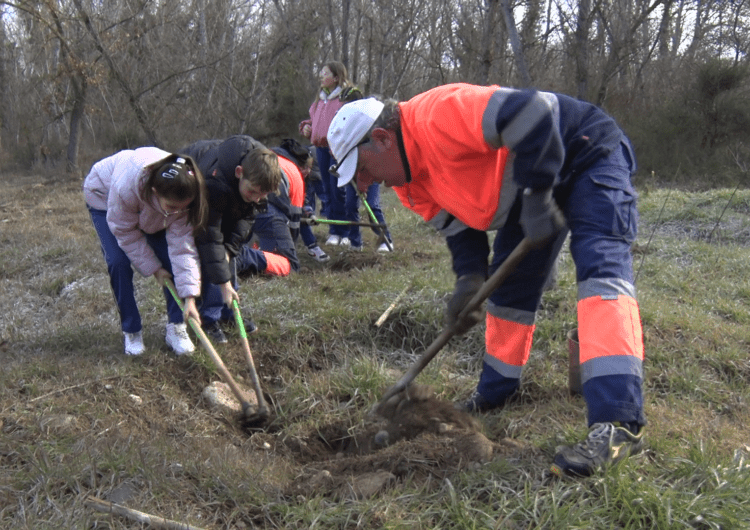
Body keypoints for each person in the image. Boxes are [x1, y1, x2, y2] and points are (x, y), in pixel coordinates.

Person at [326, 84, 645, 478]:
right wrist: (469, 281)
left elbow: (533, 111)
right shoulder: (408, 185)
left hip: (586, 152)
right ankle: (495, 393)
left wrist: (538, 194)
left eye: (363, 170)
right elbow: (459, 229)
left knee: (600, 269)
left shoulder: (439, 113)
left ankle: (616, 423)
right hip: (527, 192)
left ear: (381, 138)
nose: (364, 184)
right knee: (508, 293)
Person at [84, 148, 208, 356]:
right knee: (118, 262)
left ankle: (176, 326)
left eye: (182, 208)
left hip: (150, 206)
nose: (178, 212)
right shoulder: (126, 187)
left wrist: (190, 298)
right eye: (172, 206)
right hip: (104, 197)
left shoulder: (183, 197)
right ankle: (131, 330)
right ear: (155, 191)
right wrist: (154, 269)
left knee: (171, 258)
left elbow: (182, 248)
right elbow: (124, 231)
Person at [179, 136, 283, 344]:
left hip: (230, 197)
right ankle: (209, 318)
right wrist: (224, 281)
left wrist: (230, 248)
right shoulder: (215, 182)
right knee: (210, 255)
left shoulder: (261, 177)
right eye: (253, 191)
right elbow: (210, 237)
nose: (256, 198)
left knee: (228, 254)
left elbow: (246, 220)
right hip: (195, 194)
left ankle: (229, 313)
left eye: (262, 195)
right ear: (239, 173)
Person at [299, 61, 393, 252]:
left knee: (363, 202)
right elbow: (314, 121)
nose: (321, 76)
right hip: (330, 153)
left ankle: (382, 239)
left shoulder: (350, 104)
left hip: (351, 157)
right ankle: (348, 239)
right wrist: (306, 127)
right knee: (339, 197)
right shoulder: (319, 101)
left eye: (325, 73)